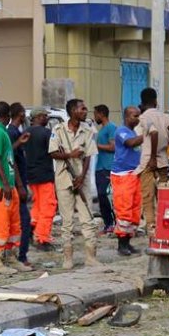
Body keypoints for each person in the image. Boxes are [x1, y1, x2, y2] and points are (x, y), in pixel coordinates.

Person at [49, 99, 99, 269]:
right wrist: (70, 155)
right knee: (67, 220)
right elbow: (53, 153)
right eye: (82, 108)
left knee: (87, 217)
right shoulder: (58, 130)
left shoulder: (88, 130)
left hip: (81, 180)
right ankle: (67, 257)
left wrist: (81, 177)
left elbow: (88, 156)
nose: (86, 111)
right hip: (63, 178)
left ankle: (91, 256)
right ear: (73, 111)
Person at [0, 102, 31, 274]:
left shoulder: (2, 131)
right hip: (0, 187)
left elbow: (7, 157)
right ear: (7, 115)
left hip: (9, 186)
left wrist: (16, 184)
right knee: (2, 225)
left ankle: (11, 257)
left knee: (14, 224)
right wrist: (5, 183)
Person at [136, 88, 169, 234]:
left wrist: (151, 157)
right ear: (156, 101)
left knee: (147, 197)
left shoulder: (143, 118)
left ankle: (151, 227)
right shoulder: (166, 117)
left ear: (142, 102)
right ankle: (164, 226)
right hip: (163, 161)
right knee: (163, 196)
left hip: (147, 162)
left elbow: (148, 136)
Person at [112, 107, 144, 256]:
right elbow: (131, 143)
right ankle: (121, 244)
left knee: (134, 209)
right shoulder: (122, 131)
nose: (137, 118)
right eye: (134, 116)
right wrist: (147, 134)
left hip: (134, 174)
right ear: (126, 117)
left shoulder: (133, 132)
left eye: (138, 115)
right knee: (124, 209)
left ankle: (128, 241)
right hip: (122, 175)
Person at [25, 107, 57, 250]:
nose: (47, 119)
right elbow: (54, 152)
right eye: (45, 116)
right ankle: (42, 238)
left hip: (31, 176)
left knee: (37, 206)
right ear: (38, 117)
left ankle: (32, 229)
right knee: (48, 206)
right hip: (44, 175)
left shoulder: (25, 133)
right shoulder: (46, 133)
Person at [7, 103, 33, 267]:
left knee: (19, 221)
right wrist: (20, 185)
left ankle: (17, 254)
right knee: (24, 221)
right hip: (17, 185)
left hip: (20, 182)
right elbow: (11, 160)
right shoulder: (11, 133)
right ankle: (21, 256)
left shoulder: (16, 133)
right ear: (21, 115)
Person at [94, 105, 117, 235]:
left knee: (105, 196)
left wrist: (96, 146)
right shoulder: (102, 129)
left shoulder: (111, 127)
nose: (94, 117)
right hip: (100, 167)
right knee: (101, 196)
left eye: (96, 114)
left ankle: (112, 223)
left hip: (107, 167)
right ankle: (108, 224)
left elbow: (113, 147)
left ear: (102, 114)